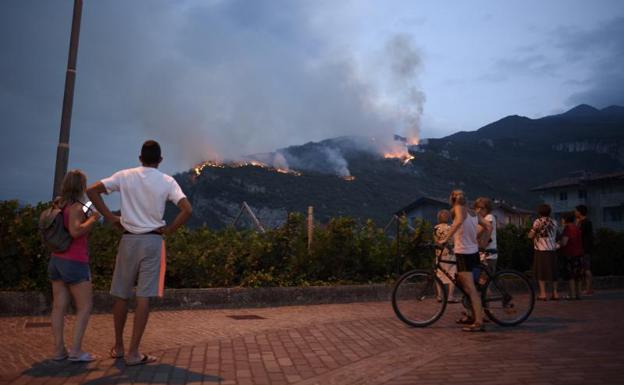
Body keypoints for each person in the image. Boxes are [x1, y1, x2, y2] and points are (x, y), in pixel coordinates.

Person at [87, 140, 193, 366]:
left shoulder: (125, 175)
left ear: (140, 158)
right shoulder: (167, 181)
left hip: (128, 239)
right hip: (153, 240)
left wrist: (109, 216)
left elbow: (91, 190)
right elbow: (187, 209)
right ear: (160, 160)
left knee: (121, 294)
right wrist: (170, 229)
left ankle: (118, 346)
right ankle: (134, 353)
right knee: (143, 296)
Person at [49, 170, 101, 362]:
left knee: (58, 307)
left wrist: (90, 207)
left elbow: (88, 206)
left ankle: (58, 351)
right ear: (82, 186)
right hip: (75, 261)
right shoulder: (78, 207)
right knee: (85, 306)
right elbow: (75, 231)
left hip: (56, 259)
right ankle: (76, 351)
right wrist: (94, 219)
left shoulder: (59, 204)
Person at [441, 190, 492, 332]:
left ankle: (478, 322)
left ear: (452, 200)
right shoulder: (473, 212)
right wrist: (482, 242)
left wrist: (446, 239)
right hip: (473, 253)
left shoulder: (458, 208)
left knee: (471, 289)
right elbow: (488, 226)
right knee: (465, 285)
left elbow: (458, 221)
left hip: (463, 254)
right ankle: (472, 314)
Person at [528, 204, 560, 301]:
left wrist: (533, 231)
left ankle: (543, 294)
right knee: (553, 272)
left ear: (539, 212)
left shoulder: (538, 222)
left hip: (541, 250)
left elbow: (530, 236)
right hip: (552, 250)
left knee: (541, 272)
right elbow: (557, 235)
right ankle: (555, 293)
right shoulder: (554, 222)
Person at [433, 209, 459, 303]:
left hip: (439, 253)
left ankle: (439, 296)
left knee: (439, 274)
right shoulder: (451, 227)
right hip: (450, 253)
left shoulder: (435, 228)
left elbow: (436, 241)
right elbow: (453, 241)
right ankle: (450, 296)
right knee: (452, 274)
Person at [560, 213, 584, 300]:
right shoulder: (577, 228)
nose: (561, 221)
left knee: (571, 276)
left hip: (570, 254)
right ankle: (579, 294)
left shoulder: (567, 228)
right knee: (578, 276)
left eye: (562, 219)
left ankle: (572, 295)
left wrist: (558, 244)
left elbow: (564, 242)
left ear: (565, 220)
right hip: (579, 253)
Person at [475, 197, 498, 273]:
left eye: (482, 208)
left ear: (488, 209)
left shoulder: (489, 217)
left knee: (485, 281)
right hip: (482, 255)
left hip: (488, 256)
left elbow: (477, 232)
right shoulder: (480, 220)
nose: (479, 210)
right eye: (477, 207)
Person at [575, 205, 594, 296]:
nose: (575, 213)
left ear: (580, 212)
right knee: (584, 269)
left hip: (584, 249)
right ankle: (587, 288)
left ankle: (589, 289)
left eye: (576, 211)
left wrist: (577, 224)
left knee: (586, 269)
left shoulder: (584, 222)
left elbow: (578, 234)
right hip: (585, 249)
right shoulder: (586, 222)